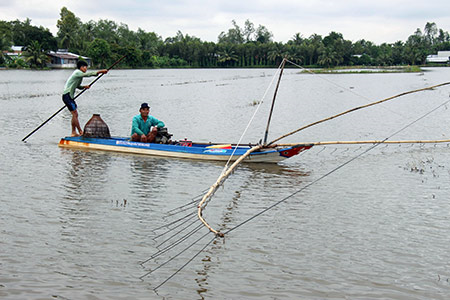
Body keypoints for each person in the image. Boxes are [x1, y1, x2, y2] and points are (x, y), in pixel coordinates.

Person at [62, 61, 108, 136]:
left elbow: (77, 86)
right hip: (67, 96)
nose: (86, 68)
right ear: (80, 67)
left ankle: (73, 132)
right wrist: (100, 72)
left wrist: (84, 87)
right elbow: (88, 75)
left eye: (86, 67)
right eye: (84, 67)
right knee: (75, 114)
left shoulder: (79, 75)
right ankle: (80, 131)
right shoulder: (77, 72)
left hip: (69, 96)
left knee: (75, 114)